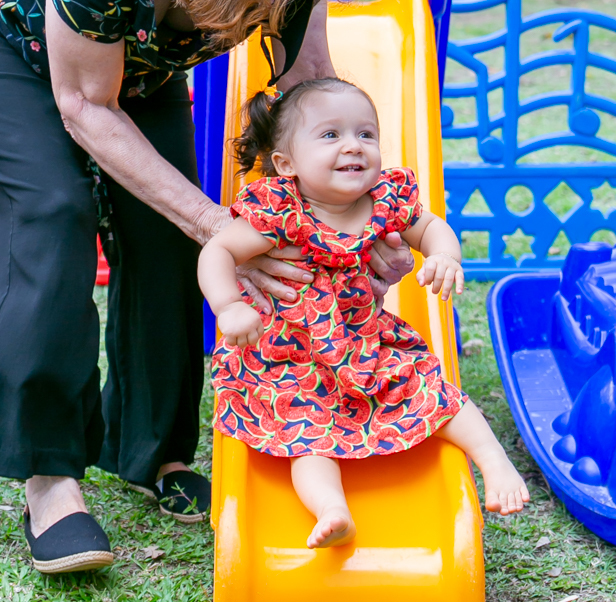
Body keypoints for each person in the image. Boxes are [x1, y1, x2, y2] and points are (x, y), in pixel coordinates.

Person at [0, 0, 415, 574]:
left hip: (137, 58)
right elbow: (84, 104)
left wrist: (357, 225)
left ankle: (151, 452)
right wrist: (214, 223)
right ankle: (50, 479)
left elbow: (311, 84)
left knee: (162, 231)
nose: (265, 13)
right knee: (51, 208)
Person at [198, 78, 529, 549]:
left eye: (366, 134)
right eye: (330, 135)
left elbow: (433, 227)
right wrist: (228, 305)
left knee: (429, 386)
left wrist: (443, 255)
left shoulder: (387, 200)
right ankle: (331, 508)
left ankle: (493, 460)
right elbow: (217, 252)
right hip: (293, 361)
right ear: (286, 163)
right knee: (304, 435)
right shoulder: (283, 212)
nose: (353, 145)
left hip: (366, 344)